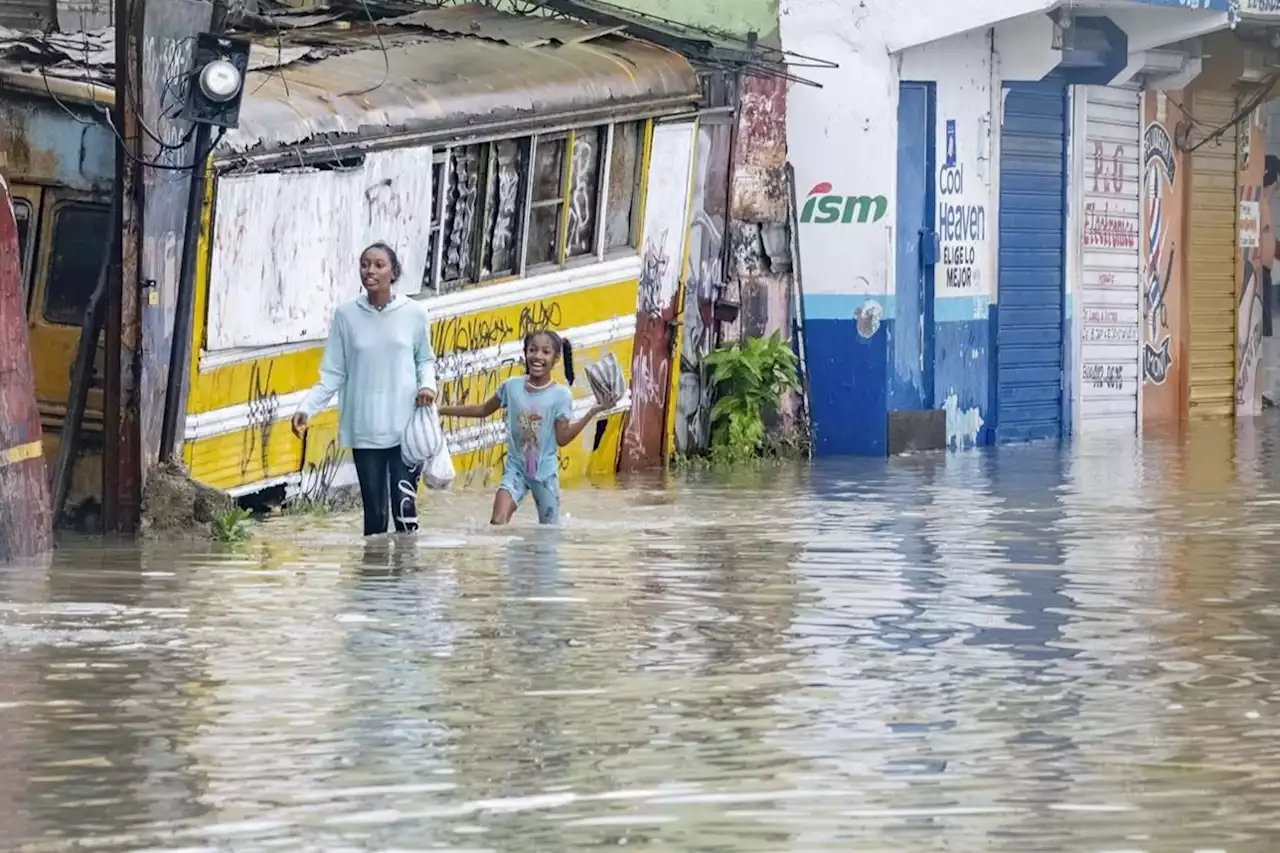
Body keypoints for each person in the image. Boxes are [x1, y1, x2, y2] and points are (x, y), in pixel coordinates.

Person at [291, 242, 437, 536]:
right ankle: (374, 578)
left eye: (379, 265)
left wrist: (427, 386)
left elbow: (425, 360)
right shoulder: (346, 315)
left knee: (404, 510)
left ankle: (406, 578)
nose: (370, 271)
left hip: (405, 428)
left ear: (393, 272)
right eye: (365, 264)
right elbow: (333, 372)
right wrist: (307, 407)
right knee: (375, 515)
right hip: (365, 427)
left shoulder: (414, 313)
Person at [438, 331, 612, 525]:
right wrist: (441, 410)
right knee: (497, 523)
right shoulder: (511, 387)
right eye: (532, 350)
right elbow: (483, 410)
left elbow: (562, 439)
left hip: (545, 475)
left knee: (548, 535)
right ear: (525, 354)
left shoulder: (561, 395)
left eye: (545, 352)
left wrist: (592, 412)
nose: (537, 356)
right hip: (516, 470)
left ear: (556, 359)